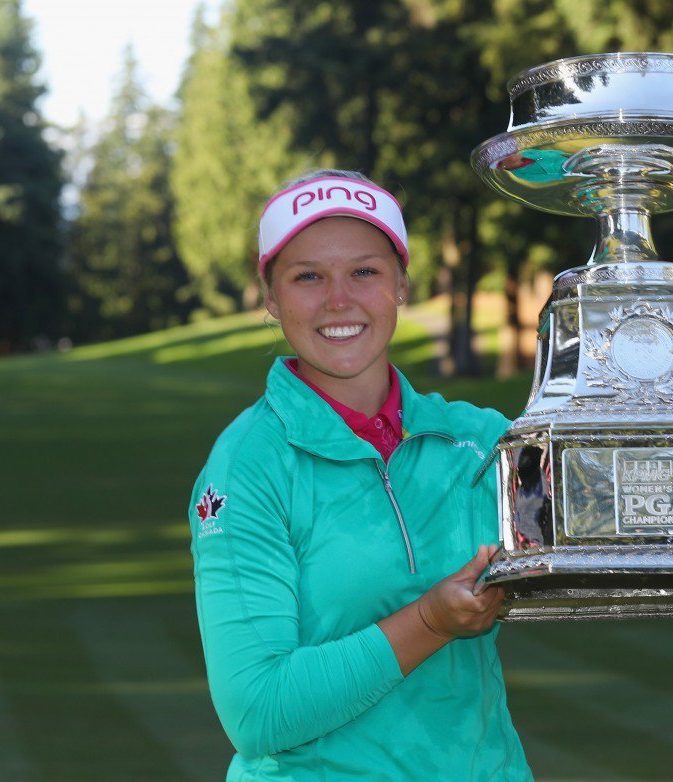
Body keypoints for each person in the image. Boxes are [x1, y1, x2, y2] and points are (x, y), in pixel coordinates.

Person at [188, 169, 533, 782]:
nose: (338, 300)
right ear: (270, 297)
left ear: (401, 285)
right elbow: (258, 711)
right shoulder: (247, 468)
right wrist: (428, 622)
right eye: (308, 276)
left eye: (365, 271)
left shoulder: (475, 441)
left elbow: (607, 524)